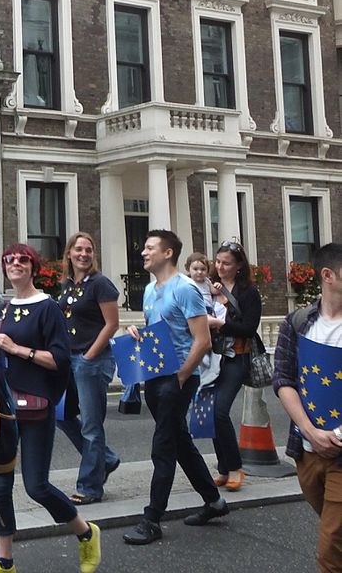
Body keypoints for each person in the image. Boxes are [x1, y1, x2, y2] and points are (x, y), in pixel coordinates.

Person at [0, 243, 101, 573]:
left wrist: (19, 349)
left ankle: (86, 532)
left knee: (36, 486)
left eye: (22, 260)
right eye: (9, 260)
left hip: (35, 407)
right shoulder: (3, 310)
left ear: (34, 268)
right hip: (3, 411)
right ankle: (5, 563)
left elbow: (60, 359)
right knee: (0, 486)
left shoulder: (47, 308)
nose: (14, 264)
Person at [122, 230, 228, 545]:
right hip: (156, 375)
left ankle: (152, 518)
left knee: (163, 445)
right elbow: (161, 332)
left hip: (178, 378)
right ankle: (214, 502)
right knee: (179, 441)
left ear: (168, 253)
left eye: (149, 247)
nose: (143, 252)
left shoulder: (186, 289)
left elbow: (203, 340)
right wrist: (138, 333)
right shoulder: (151, 290)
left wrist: (181, 377)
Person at [274, 242, 342, 573]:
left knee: (330, 550)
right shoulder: (298, 322)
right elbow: (283, 381)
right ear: (328, 275)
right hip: (307, 450)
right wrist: (311, 432)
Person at [55, 232, 121, 504]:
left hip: (91, 361)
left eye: (89, 250)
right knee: (62, 416)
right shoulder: (68, 285)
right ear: (69, 253)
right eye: (78, 249)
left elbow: (111, 324)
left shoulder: (100, 284)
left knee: (92, 427)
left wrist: (89, 355)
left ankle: (90, 487)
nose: (84, 254)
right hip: (69, 360)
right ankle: (105, 459)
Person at [206, 240, 262, 491]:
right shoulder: (207, 287)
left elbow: (249, 328)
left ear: (239, 265)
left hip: (236, 357)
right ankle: (224, 467)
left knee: (220, 410)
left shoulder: (248, 292)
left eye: (226, 263)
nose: (220, 267)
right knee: (210, 413)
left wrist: (219, 324)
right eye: (218, 262)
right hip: (211, 357)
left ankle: (235, 467)